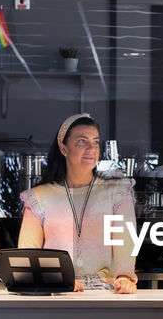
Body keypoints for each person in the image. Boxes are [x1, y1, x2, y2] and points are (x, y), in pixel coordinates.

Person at [18, 113, 138, 293]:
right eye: (82, 141)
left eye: (96, 142)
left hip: (106, 292)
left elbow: (125, 241)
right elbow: (27, 255)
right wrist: (55, 277)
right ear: (63, 148)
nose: (91, 148)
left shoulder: (117, 191)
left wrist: (124, 277)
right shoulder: (39, 196)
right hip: (56, 292)